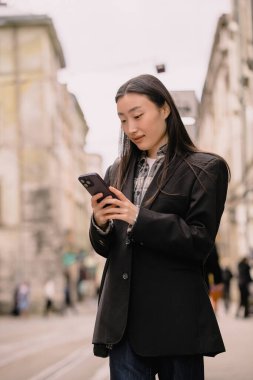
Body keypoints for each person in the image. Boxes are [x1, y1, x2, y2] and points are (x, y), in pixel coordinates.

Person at [89, 74, 229, 380]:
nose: (131, 129)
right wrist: (100, 223)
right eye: (123, 120)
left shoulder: (205, 168)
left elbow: (199, 242)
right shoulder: (117, 168)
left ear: (165, 108)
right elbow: (109, 248)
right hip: (122, 324)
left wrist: (139, 218)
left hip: (175, 321)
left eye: (138, 116)